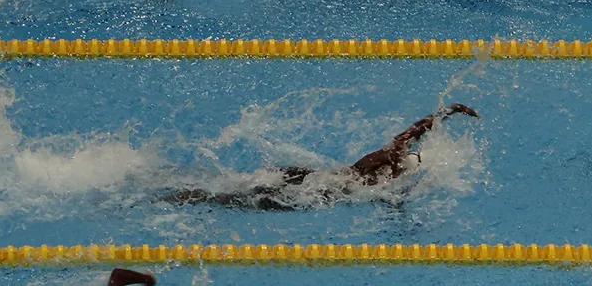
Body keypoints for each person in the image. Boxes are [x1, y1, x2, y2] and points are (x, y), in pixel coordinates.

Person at [162, 103, 480, 211]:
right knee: (231, 197)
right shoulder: (389, 163)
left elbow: (408, 138)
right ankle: (175, 196)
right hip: (308, 190)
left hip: (306, 176)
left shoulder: (384, 172)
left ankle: (178, 191)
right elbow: (406, 136)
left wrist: (443, 114)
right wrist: (443, 113)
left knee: (236, 187)